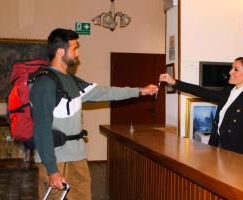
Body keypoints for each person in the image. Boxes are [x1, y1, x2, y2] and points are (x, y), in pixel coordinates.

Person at [29, 28, 158, 199]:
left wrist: (140, 91)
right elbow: (41, 129)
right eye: (75, 48)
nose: (78, 53)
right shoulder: (45, 83)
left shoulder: (72, 81)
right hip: (55, 159)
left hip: (77, 156)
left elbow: (104, 92)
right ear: (61, 51)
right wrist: (52, 170)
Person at [159, 57, 243, 157]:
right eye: (231, 68)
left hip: (235, 154)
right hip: (216, 148)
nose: (230, 72)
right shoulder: (228, 91)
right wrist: (174, 82)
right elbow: (202, 91)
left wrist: (240, 160)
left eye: (236, 69)